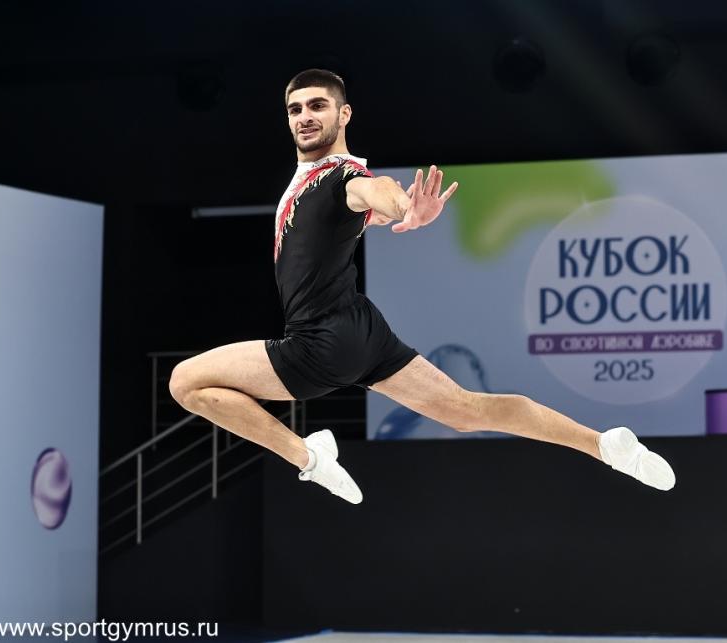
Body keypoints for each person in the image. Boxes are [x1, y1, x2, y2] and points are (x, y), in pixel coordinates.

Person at [169, 69, 676, 504]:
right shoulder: (314, 180)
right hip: (362, 330)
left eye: (318, 106)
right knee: (466, 410)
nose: (304, 116)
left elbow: (376, 191)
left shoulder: (341, 177)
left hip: (320, 341)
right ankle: (605, 445)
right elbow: (352, 219)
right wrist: (388, 212)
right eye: (295, 109)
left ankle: (309, 457)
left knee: (185, 383)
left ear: (344, 114)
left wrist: (404, 206)